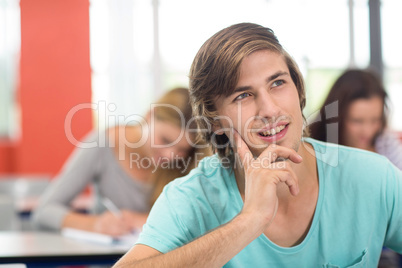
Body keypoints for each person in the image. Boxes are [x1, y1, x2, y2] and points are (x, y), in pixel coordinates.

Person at [113, 23, 402, 267]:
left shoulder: (373, 177)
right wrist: (250, 221)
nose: (269, 109)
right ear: (215, 122)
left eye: (277, 83)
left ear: (298, 89)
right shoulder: (190, 199)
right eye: (243, 96)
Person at [32, 87, 210, 236]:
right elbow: (44, 211)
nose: (171, 156)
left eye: (182, 150)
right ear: (150, 115)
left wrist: (143, 220)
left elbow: (203, 219)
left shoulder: (191, 159)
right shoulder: (102, 144)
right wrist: (95, 225)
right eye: (164, 140)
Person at [309, 68, 402, 170]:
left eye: (375, 120)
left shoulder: (385, 142)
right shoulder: (313, 148)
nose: (368, 131)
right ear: (335, 118)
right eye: (357, 121)